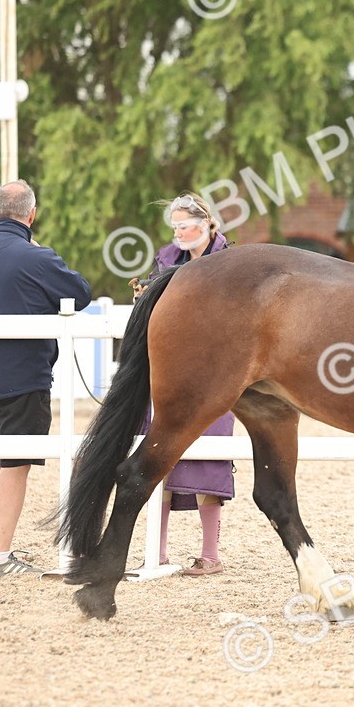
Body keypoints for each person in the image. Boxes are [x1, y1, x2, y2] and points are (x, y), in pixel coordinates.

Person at [0, 180, 92, 576]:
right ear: (32, 215)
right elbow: (80, 293)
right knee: (15, 466)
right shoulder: (38, 258)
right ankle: (0, 557)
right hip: (23, 378)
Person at [133, 193, 235, 576]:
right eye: (174, 227)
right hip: (171, 371)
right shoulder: (165, 260)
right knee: (159, 456)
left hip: (216, 374)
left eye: (184, 226)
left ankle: (210, 555)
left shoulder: (230, 262)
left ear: (205, 223)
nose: (178, 233)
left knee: (209, 459)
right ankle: (156, 553)